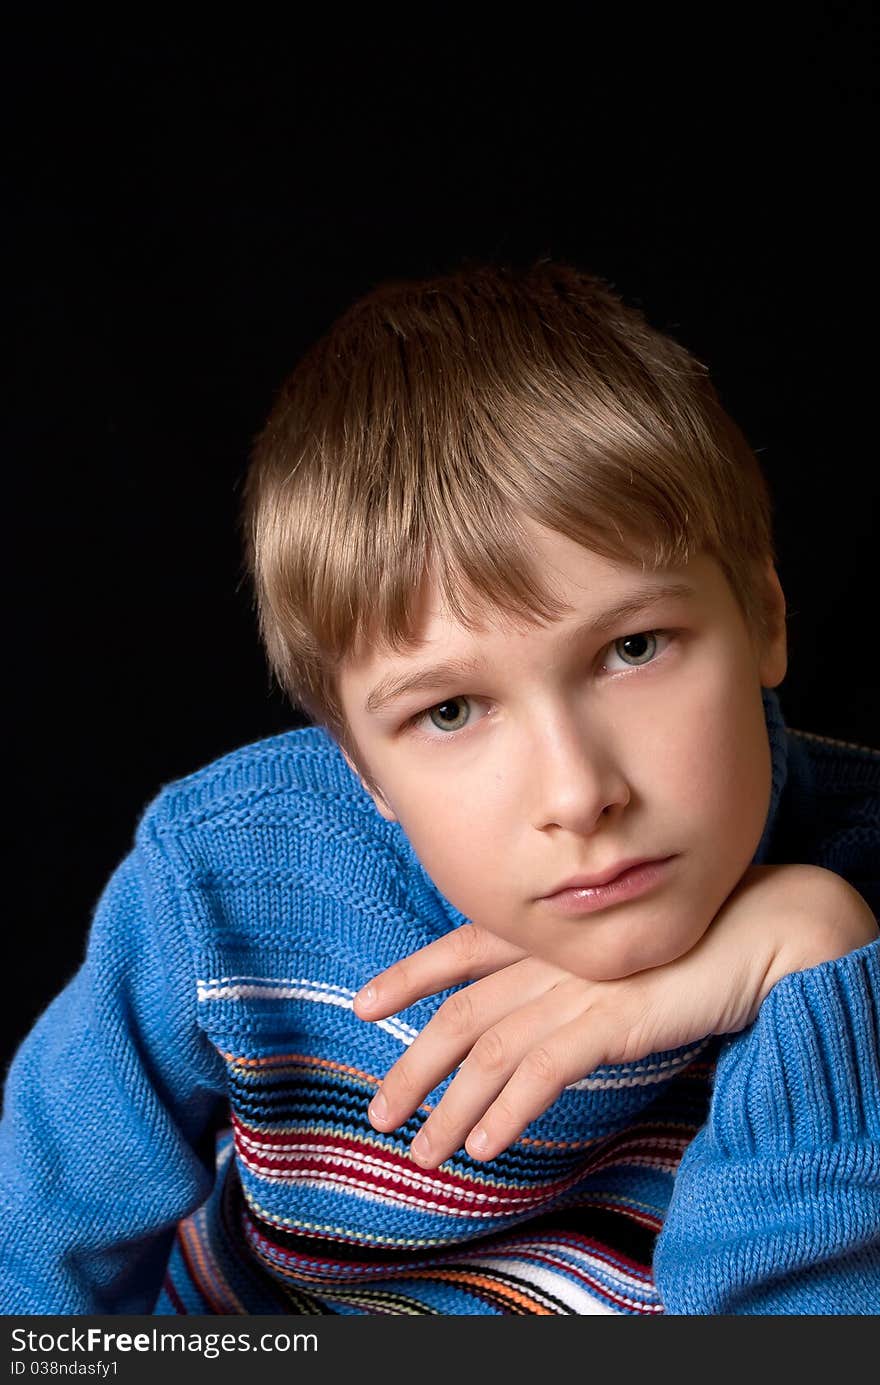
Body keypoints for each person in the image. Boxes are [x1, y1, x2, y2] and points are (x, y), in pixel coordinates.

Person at [1, 259, 877, 1316]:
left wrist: (820, 964)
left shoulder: (857, 895)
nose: (576, 791)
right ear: (357, 763)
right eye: (450, 710)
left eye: (634, 646)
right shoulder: (223, 888)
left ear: (765, 620)